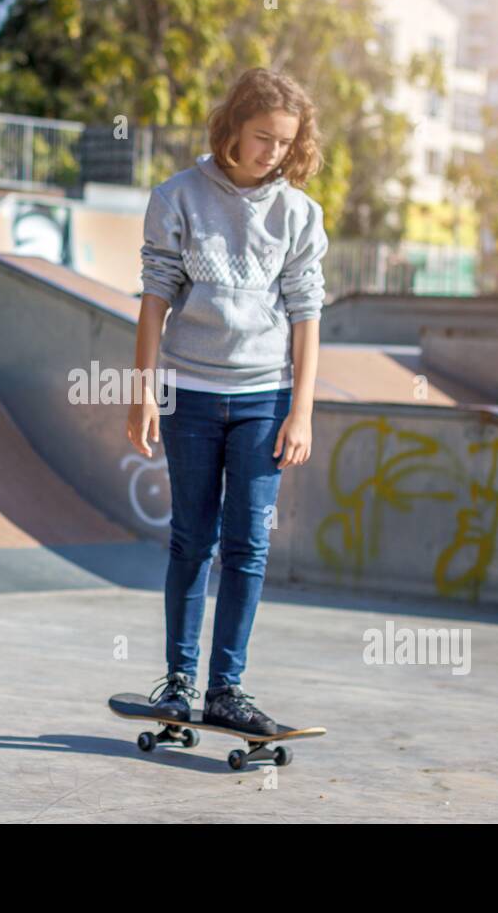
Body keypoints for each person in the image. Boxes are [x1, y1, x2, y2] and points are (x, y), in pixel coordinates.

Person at [125, 67, 328, 735]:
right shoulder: (177, 195)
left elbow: (306, 311)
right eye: (262, 137)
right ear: (232, 126)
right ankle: (179, 683)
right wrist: (143, 392)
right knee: (192, 538)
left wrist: (301, 409)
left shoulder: (298, 213)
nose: (272, 152)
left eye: (284, 143)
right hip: (188, 393)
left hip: (263, 399)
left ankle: (227, 689)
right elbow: (155, 295)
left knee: (248, 546)